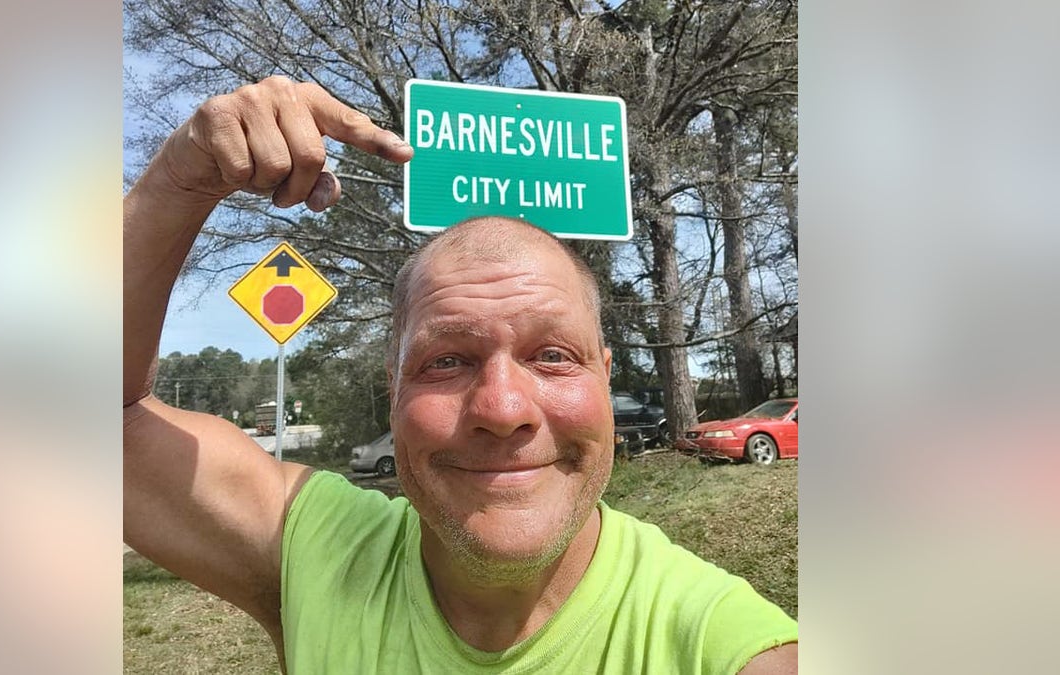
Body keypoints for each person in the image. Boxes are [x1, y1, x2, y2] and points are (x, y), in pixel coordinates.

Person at [124, 77, 798, 673]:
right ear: (394, 389)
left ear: (606, 380)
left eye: (553, 355)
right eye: (446, 360)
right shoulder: (317, 551)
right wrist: (178, 180)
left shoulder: (724, 644)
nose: (502, 407)